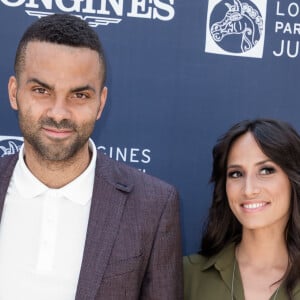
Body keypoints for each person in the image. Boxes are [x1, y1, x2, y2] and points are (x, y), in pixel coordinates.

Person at [0, 13, 183, 299]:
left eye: (79, 95)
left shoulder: (153, 207)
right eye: (41, 90)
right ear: (14, 93)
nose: (58, 112)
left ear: (101, 103)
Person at [184, 119, 300, 300]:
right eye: (236, 174)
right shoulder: (188, 275)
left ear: (292, 178)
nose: (248, 190)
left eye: (266, 170)